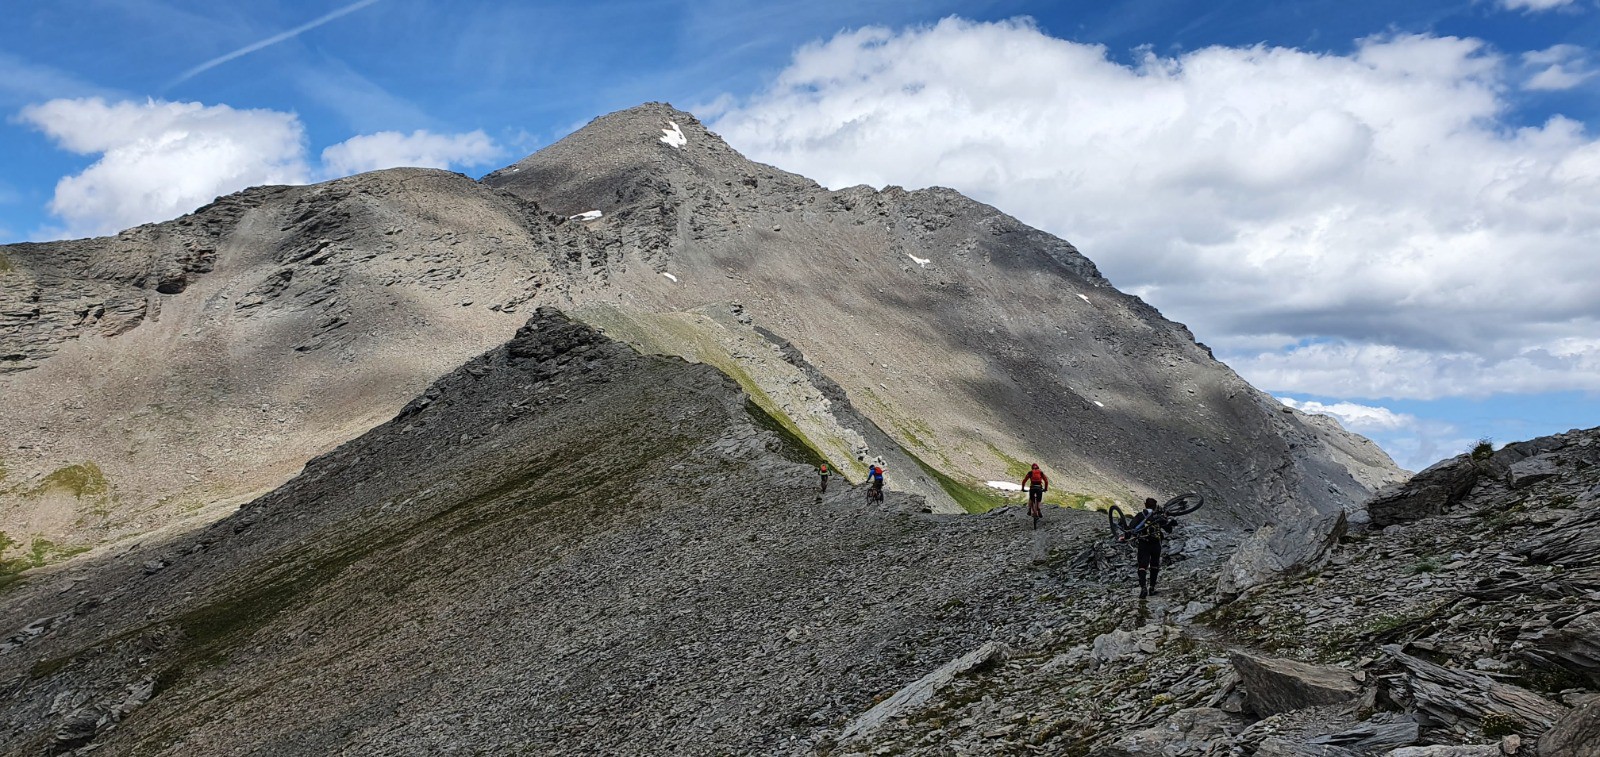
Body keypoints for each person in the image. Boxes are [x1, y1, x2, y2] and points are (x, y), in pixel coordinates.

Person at [1121, 497, 1176, 598]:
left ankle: (1143, 588)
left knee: (1142, 566)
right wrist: (1170, 522)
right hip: (1156, 544)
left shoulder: (1140, 515)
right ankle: (1152, 588)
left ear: (1145, 505)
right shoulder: (1158, 516)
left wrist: (1124, 537)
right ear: (1155, 506)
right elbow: (1169, 530)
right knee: (1154, 565)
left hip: (1144, 543)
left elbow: (1130, 528)